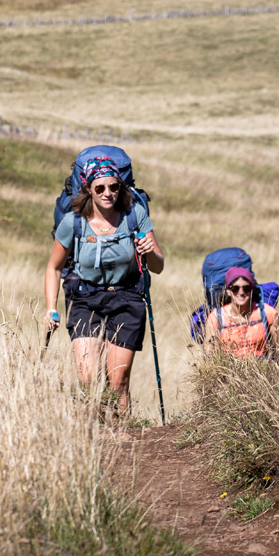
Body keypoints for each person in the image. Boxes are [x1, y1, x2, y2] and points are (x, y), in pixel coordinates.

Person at [44, 155, 164, 413]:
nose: (108, 193)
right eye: (100, 188)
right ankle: (96, 442)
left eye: (114, 187)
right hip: (85, 300)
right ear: (88, 188)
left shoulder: (135, 216)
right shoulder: (73, 222)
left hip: (128, 299)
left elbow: (158, 266)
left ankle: (123, 439)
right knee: (89, 380)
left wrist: (149, 252)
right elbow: (53, 268)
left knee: (118, 383)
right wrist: (50, 308)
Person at [204, 266, 279, 362]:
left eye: (246, 288)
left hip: (263, 372)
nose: (241, 292)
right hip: (228, 373)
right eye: (235, 288)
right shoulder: (216, 317)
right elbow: (209, 354)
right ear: (228, 291)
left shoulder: (268, 313)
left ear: (252, 290)